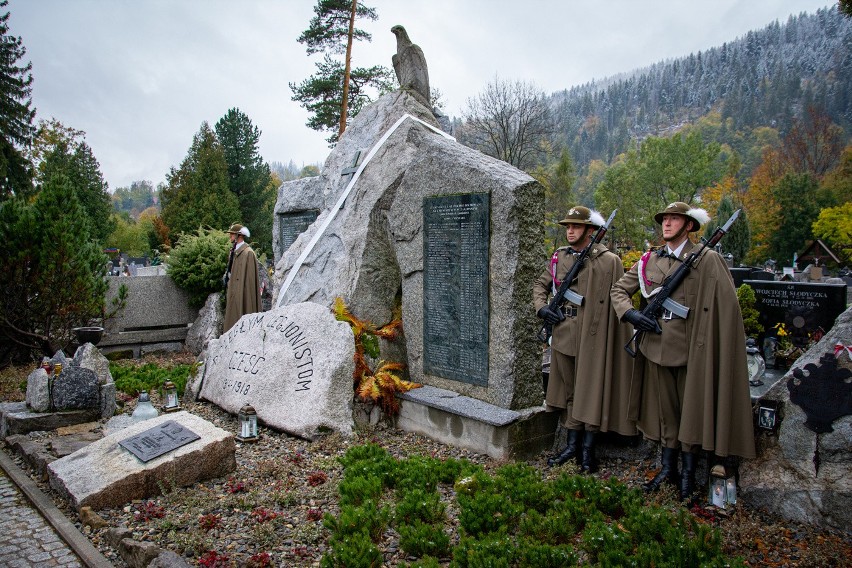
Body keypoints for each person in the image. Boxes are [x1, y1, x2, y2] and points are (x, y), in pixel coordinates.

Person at [610, 202, 756, 501]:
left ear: (689, 226)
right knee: (665, 415)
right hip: (656, 347)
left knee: (690, 414)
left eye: (674, 219)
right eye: (664, 219)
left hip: (691, 351)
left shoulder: (706, 259)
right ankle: (668, 470)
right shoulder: (649, 259)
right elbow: (618, 291)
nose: (667, 224)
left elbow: (723, 307)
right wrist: (631, 315)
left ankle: (688, 476)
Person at [533, 206, 636, 473]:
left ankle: (588, 449)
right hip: (565, 330)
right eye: (567, 226)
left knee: (591, 390)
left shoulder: (608, 260)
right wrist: (542, 308)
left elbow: (616, 297)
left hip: (594, 335)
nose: (570, 231)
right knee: (569, 390)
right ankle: (571, 445)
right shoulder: (560, 257)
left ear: (590, 231)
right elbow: (540, 285)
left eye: (575, 227)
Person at [223, 223, 262, 333]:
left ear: (239, 235)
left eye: (232, 234)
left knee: (245, 308)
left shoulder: (248, 253)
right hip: (234, 291)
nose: (230, 236)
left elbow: (249, 282)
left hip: (243, 293)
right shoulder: (234, 252)